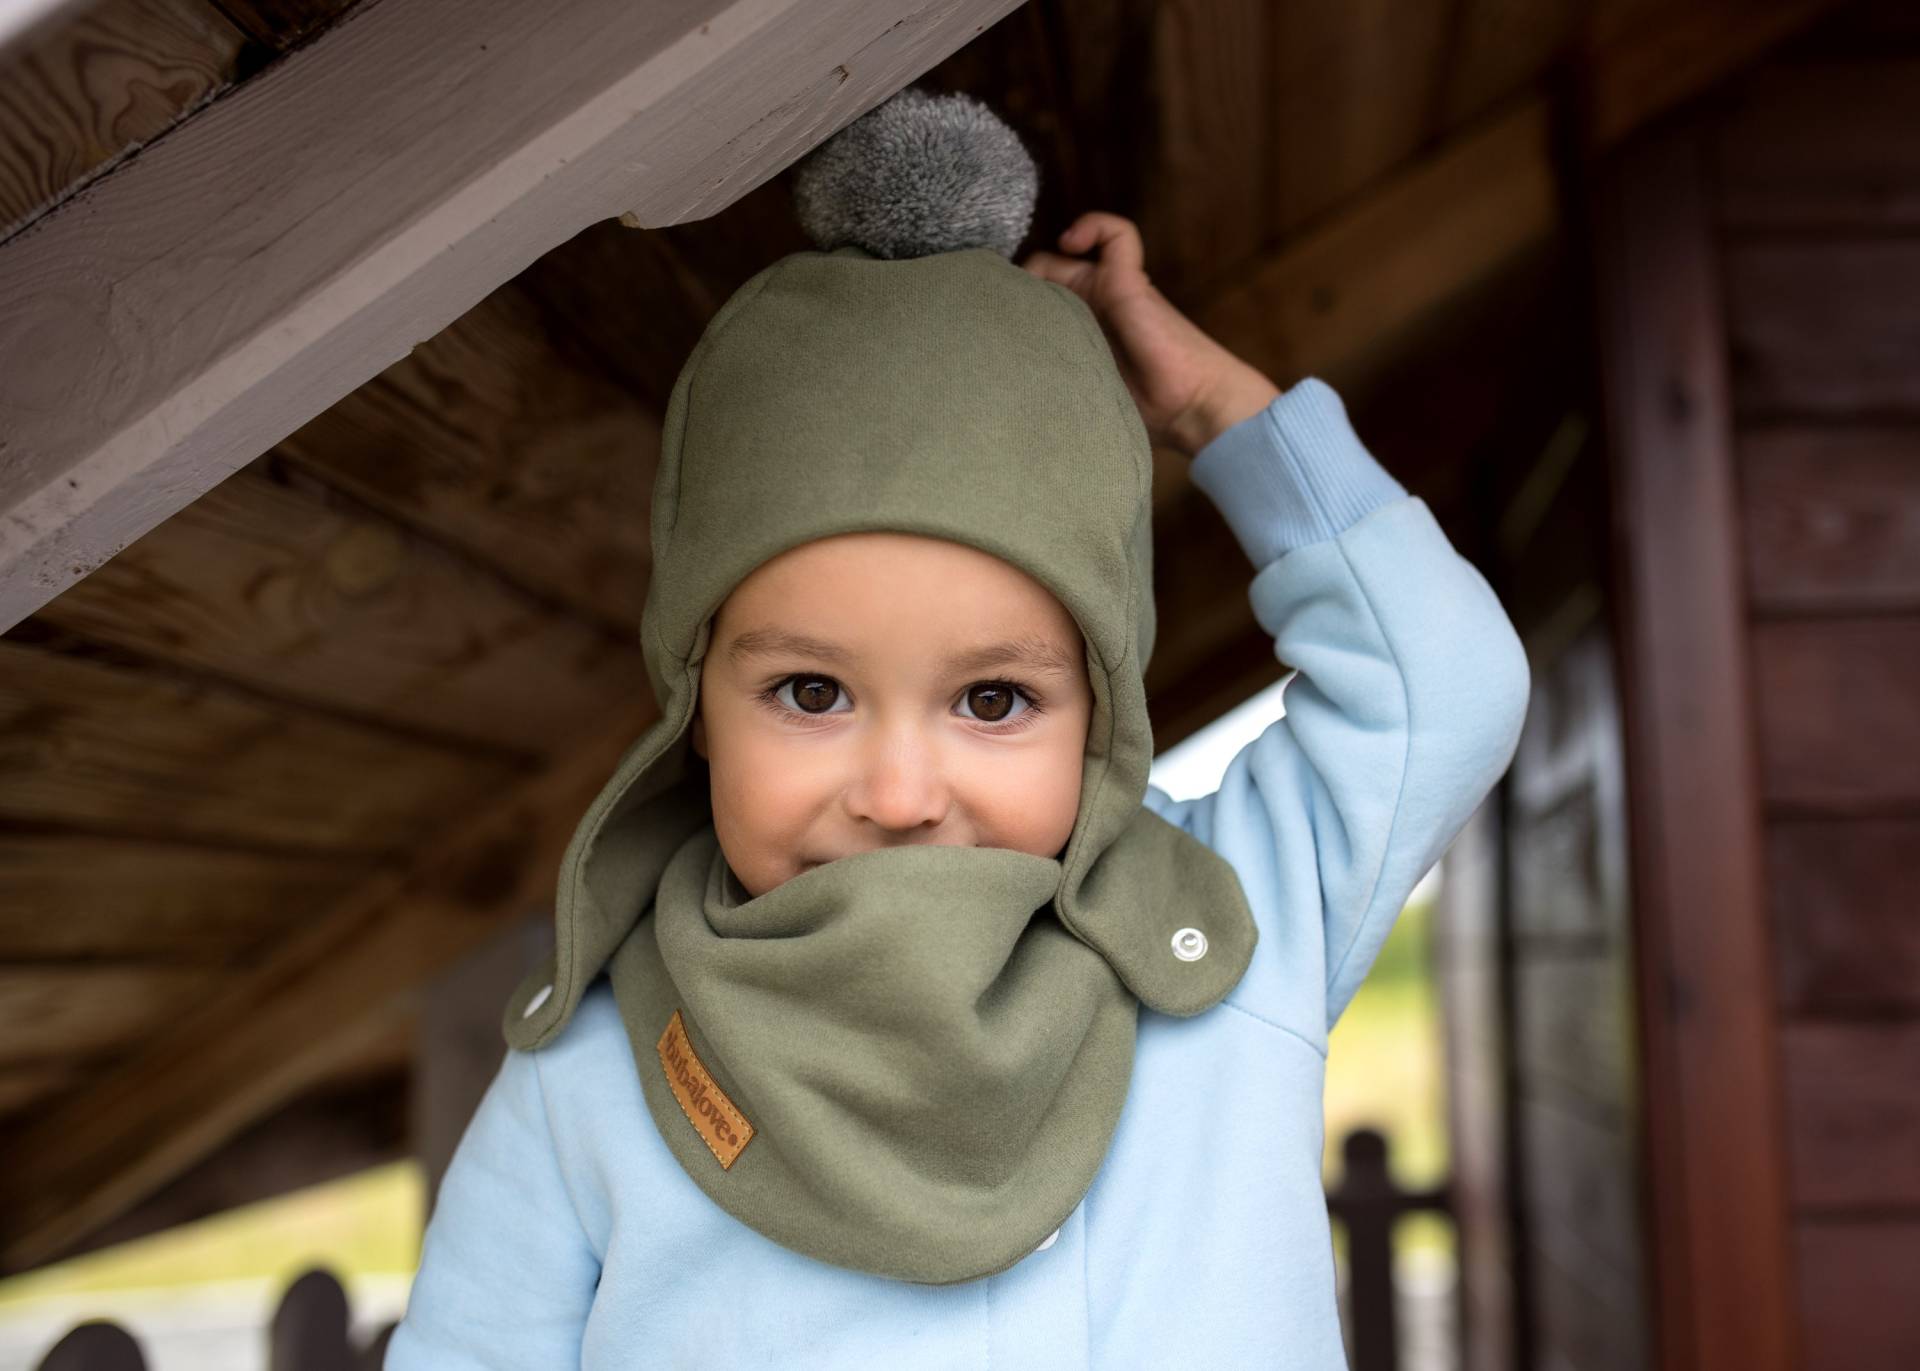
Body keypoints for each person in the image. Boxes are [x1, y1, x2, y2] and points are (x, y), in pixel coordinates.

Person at [386, 88, 1528, 1369]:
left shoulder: (1239, 926)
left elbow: (1445, 683)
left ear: (1104, 716)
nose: (898, 788)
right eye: (810, 694)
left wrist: (1211, 403)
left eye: (994, 701)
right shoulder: (597, 1069)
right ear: (692, 706)